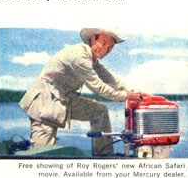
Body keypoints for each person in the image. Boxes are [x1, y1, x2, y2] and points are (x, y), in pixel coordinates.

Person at [19, 28, 148, 156]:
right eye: (104, 43)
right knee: (41, 152)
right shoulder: (80, 57)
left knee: (99, 111)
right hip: (45, 100)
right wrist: (127, 96)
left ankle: (104, 155)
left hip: (64, 99)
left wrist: (134, 92)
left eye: (110, 48)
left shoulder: (91, 59)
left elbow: (109, 77)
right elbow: (99, 87)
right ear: (93, 38)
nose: (105, 50)